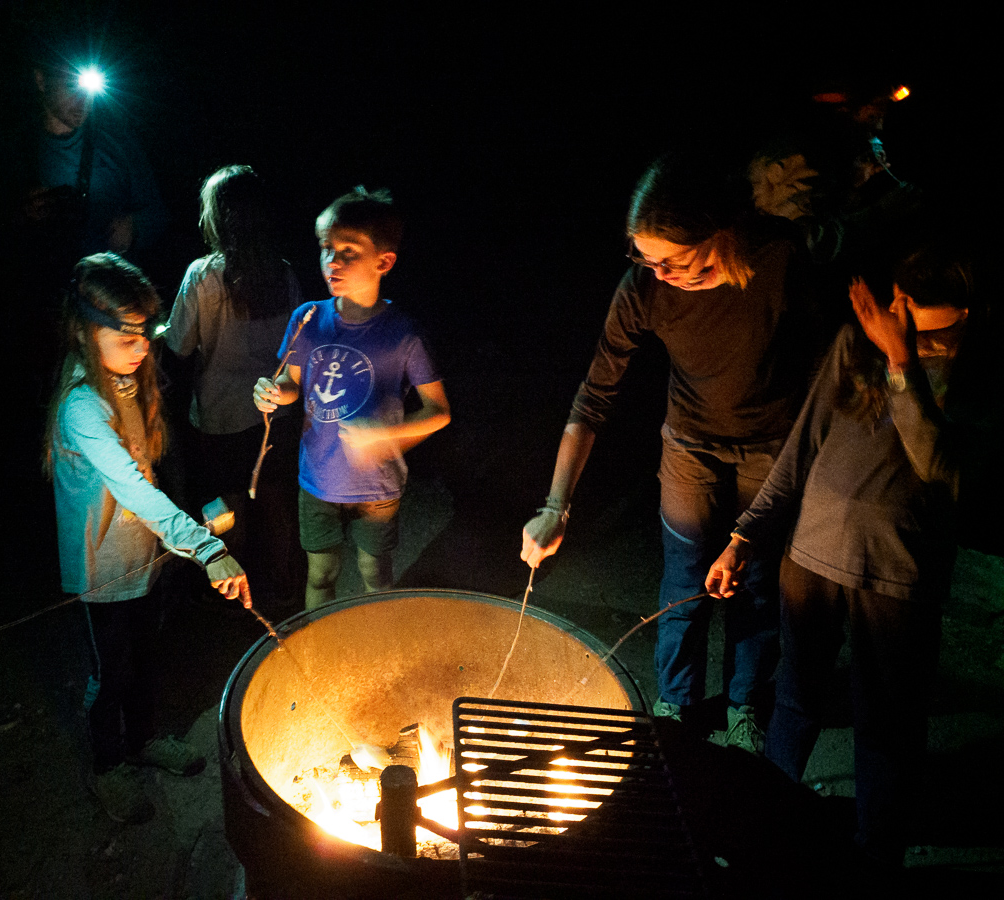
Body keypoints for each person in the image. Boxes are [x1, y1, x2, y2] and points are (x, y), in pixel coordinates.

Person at [705, 246, 995, 865]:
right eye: (897, 300)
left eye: (916, 309)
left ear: (963, 313)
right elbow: (801, 447)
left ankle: (875, 854)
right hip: (812, 557)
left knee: (887, 723)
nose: (897, 316)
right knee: (795, 700)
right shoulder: (855, 342)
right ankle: (766, 829)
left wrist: (901, 361)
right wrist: (743, 536)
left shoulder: (973, 374)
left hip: (898, 574)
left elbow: (940, 467)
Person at [520, 153, 816, 753]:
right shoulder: (644, 290)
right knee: (685, 578)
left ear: (718, 233)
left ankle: (744, 706)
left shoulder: (780, 264)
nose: (659, 274)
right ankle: (676, 708)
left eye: (673, 261)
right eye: (645, 259)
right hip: (688, 445)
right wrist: (556, 505)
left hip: (772, 445)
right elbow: (593, 397)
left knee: (755, 583)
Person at [46, 253, 250, 824]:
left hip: (142, 557)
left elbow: (147, 473)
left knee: (144, 658)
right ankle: (106, 766)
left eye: (145, 333)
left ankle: (141, 742)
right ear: (85, 331)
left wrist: (185, 530)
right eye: (126, 337)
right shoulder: (83, 406)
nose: (142, 349)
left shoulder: (125, 380)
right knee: (109, 672)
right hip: (101, 570)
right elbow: (132, 486)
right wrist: (206, 548)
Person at [253, 188, 451, 609]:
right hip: (317, 479)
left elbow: (439, 412)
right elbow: (292, 383)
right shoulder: (307, 318)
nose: (332, 261)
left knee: (374, 574)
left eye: (348, 252)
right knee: (320, 575)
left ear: (384, 262)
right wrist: (274, 392)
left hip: (377, 486)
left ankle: (376, 643)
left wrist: (384, 434)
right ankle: (319, 645)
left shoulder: (403, 334)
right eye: (326, 248)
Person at [164, 165, 303, 605]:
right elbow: (299, 347)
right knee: (276, 501)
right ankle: (283, 588)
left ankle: (233, 595)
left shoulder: (202, 276)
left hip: (219, 414)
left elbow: (179, 345)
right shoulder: (284, 274)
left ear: (216, 217)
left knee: (227, 505)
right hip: (275, 412)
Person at [24, 51, 167, 268]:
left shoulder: (117, 141)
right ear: (41, 80)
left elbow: (158, 212)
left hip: (109, 282)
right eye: (71, 86)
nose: (83, 100)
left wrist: (134, 228)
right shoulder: (18, 150)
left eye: (89, 89)